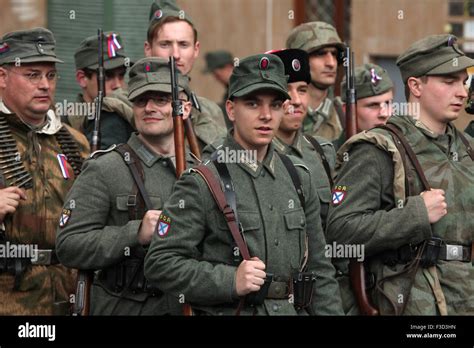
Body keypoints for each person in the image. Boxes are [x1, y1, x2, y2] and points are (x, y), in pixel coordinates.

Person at [144, 53, 343, 316]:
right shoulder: (203, 181)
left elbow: (319, 269)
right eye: (252, 104)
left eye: (274, 105)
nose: (265, 115)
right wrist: (229, 280)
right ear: (230, 109)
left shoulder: (298, 177)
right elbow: (160, 263)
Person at [326, 34, 474, 315]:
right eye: (449, 81)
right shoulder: (378, 149)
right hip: (412, 304)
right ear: (416, 85)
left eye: (463, 82)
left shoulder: (469, 150)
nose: (462, 93)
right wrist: (415, 215)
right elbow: (340, 232)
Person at [56, 57, 194, 315]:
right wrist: (136, 233)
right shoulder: (106, 168)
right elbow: (69, 245)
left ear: (184, 109)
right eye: (141, 101)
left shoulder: (201, 172)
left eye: (161, 100)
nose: (149, 108)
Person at [0, 27, 89, 315]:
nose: (44, 85)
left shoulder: (73, 141)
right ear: (2, 77)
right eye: (32, 75)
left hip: (69, 293)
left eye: (50, 75)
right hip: (10, 298)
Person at [145, 0, 227, 148]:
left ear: (196, 50)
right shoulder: (133, 110)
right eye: (165, 44)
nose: (175, 54)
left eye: (183, 45)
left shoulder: (211, 111)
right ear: (148, 49)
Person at [269, 48, 335, 228]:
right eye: (286, 90)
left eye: (303, 90)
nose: (296, 100)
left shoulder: (323, 153)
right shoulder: (252, 154)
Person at [66, 31, 135, 149]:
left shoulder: (126, 114)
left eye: (121, 75)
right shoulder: (63, 122)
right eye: (107, 77)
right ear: (82, 78)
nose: (118, 85)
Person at [286, 21, 345, 145]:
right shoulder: (281, 113)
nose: (331, 63)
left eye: (333, 54)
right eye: (320, 54)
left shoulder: (344, 114)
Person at [338, 63, 394, 141]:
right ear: (348, 110)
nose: (384, 114)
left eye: (387, 103)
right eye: (373, 105)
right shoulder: (332, 152)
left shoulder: (404, 149)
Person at [203, 49, 234, 128]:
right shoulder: (230, 90)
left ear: (228, 67)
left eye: (217, 75)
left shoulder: (238, 89)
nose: (216, 79)